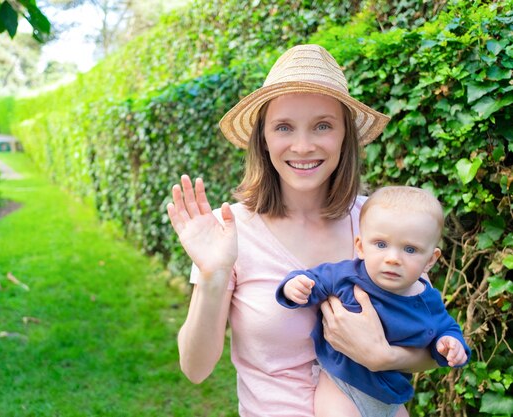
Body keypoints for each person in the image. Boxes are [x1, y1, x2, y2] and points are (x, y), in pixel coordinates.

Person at [167, 44, 438, 416]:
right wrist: (214, 277)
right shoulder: (229, 230)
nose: (303, 146)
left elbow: (433, 337)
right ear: (263, 138)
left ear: (346, 136)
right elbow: (195, 369)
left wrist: (382, 356)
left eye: (323, 125)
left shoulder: (379, 221)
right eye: (283, 127)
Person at [276, 186, 471, 417]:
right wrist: (293, 287)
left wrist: (450, 343)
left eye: (410, 249)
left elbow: (446, 328)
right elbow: (314, 279)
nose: (393, 259)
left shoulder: (426, 300)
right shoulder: (348, 275)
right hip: (343, 386)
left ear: (430, 260)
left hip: (391, 398)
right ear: (360, 246)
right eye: (380, 244)